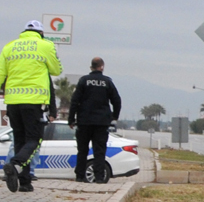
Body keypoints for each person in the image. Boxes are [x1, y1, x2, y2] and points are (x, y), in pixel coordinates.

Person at [0, 20, 62, 192]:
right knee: (34, 140)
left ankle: (24, 182)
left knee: (19, 140)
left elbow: (0, 74)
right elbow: (56, 70)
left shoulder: (9, 47)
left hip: (12, 102)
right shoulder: (46, 45)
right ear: (41, 33)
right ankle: (15, 163)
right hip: (34, 101)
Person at [69, 57, 121, 183]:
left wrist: (71, 119)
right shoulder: (107, 82)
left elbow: (75, 101)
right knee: (99, 151)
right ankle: (99, 177)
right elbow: (117, 100)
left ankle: (80, 176)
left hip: (84, 121)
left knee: (82, 150)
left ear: (91, 67)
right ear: (102, 67)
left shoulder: (83, 81)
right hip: (101, 122)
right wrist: (114, 116)